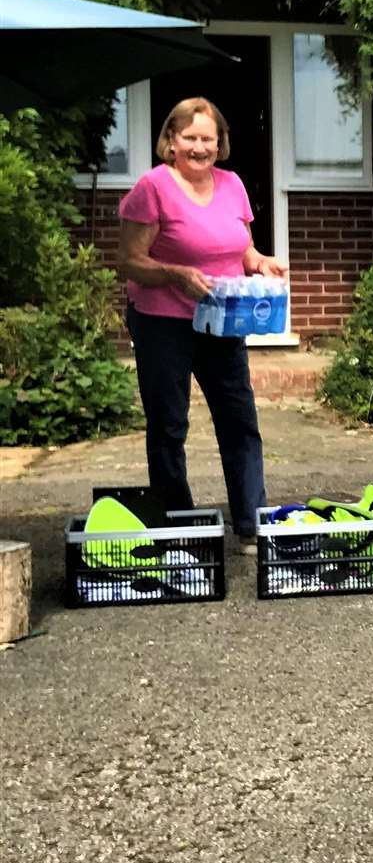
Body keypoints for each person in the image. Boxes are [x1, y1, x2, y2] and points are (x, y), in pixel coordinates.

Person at [117, 97, 286, 551]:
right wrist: (173, 274)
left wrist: (261, 263)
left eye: (207, 139)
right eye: (189, 138)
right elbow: (129, 261)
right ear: (171, 141)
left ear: (220, 143)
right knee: (169, 426)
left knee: (239, 421)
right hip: (162, 322)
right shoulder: (152, 187)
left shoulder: (232, 185)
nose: (199, 147)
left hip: (223, 321)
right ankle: (179, 526)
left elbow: (241, 249)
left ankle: (252, 523)